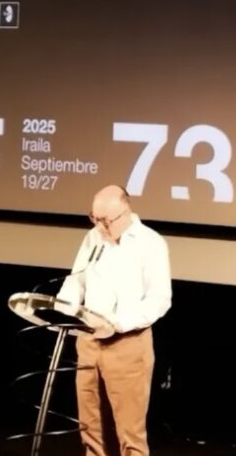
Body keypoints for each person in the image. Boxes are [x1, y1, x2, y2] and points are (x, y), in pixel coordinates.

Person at [57, 184, 172, 456]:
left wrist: (118, 323)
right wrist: (62, 308)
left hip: (127, 344)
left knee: (130, 433)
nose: (99, 226)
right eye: (94, 218)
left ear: (125, 213)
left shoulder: (150, 242)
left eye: (105, 220)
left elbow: (160, 298)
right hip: (88, 341)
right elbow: (76, 280)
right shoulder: (93, 237)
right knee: (90, 427)